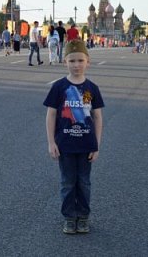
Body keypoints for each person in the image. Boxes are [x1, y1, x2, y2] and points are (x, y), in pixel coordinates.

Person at [43, 39, 104, 234]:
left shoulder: (90, 89)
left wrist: (96, 145)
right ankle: (70, 217)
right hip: (65, 145)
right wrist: (51, 142)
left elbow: (95, 116)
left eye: (80, 60)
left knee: (84, 182)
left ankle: (83, 216)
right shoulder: (59, 87)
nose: (76, 65)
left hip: (86, 145)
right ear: (65, 62)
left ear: (88, 62)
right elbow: (51, 114)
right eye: (72, 61)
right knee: (67, 182)